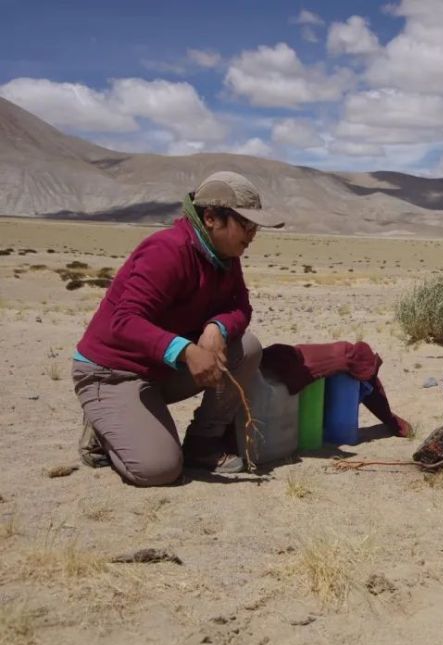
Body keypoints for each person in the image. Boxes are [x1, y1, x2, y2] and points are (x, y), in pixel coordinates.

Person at [71, 171, 284, 486]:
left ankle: (202, 442)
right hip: (112, 373)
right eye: (246, 225)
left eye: (255, 227)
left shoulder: (225, 257)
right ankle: (105, 426)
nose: (252, 234)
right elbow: (125, 321)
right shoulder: (167, 250)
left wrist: (217, 328)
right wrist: (186, 351)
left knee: (246, 348)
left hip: (159, 369)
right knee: (159, 468)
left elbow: (241, 308)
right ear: (211, 217)